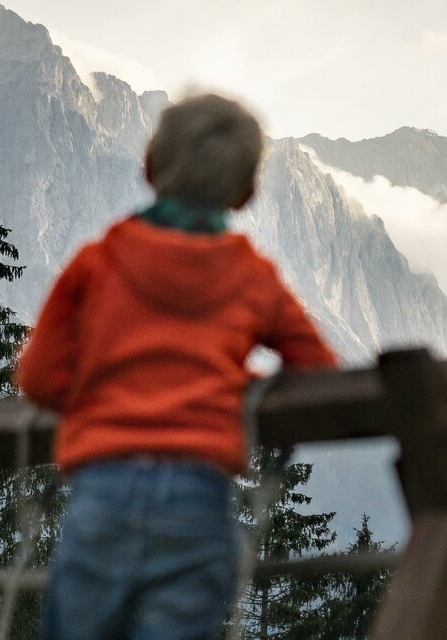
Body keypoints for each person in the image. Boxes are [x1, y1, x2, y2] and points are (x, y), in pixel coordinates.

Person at [17, 93, 338, 640]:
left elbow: (40, 378)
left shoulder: (96, 266)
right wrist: (231, 385)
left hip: (103, 497)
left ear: (149, 166)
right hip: (198, 499)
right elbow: (318, 371)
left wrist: (111, 391)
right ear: (247, 191)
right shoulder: (253, 278)